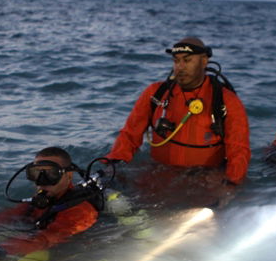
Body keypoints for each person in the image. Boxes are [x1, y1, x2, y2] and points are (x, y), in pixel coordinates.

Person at [105, 37, 251, 186]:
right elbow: (130, 135)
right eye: (176, 61)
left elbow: (238, 150)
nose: (180, 67)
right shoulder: (155, 94)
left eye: (187, 61)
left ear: (204, 61)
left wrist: (231, 185)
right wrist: (113, 165)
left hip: (205, 181)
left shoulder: (226, 100)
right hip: (158, 177)